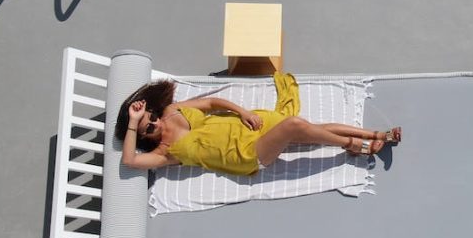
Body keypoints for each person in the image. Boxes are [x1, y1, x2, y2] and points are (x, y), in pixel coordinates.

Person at [116, 73, 401, 173]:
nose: (154, 123)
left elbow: (212, 104)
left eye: (150, 117)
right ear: (145, 138)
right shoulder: (164, 154)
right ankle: (354, 145)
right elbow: (129, 160)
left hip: (251, 125)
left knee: (311, 128)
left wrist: (242, 111)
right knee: (294, 126)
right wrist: (133, 122)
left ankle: (377, 134)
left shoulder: (173, 110)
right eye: (147, 128)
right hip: (246, 155)